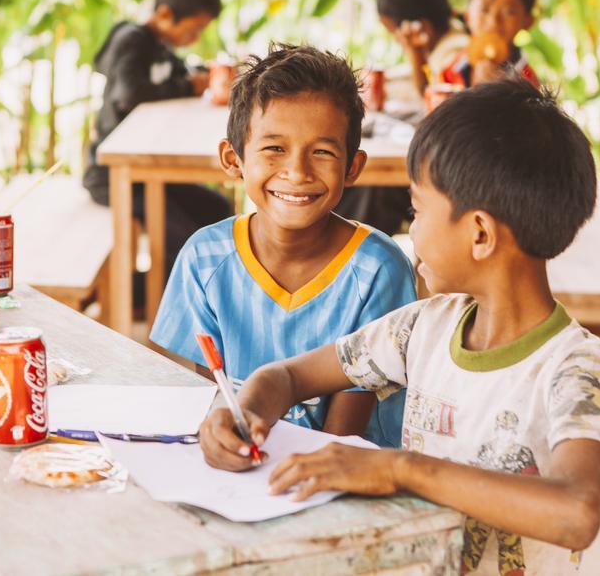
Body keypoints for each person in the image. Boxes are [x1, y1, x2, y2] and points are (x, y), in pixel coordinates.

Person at [200, 77, 600, 574]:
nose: (411, 229)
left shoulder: (576, 367)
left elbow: (577, 512)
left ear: (480, 233)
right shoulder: (423, 329)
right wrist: (243, 412)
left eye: (417, 210)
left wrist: (399, 467)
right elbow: (287, 377)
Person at [150, 44, 417, 448]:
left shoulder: (379, 269)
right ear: (233, 159)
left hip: (351, 475)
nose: (297, 171)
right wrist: (227, 442)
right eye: (274, 148)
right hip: (249, 468)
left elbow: (341, 440)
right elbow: (214, 399)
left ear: (353, 168)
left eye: (323, 152)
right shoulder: (204, 260)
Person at [82, 0, 233, 277]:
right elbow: (129, 94)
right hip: (113, 176)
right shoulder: (132, 41)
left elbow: (182, 75)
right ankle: (163, 301)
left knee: (219, 210)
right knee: (183, 237)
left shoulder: (162, 48)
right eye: (194, 29)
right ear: (165, 14)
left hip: (148, 172)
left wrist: (201, 77)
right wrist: (186, 85)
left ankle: (163, 291)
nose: (194, 38)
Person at [336, 0, 467, 236]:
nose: (395, 39)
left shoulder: (455, 51)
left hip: (447, 174)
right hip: (435, 162)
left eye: (393, 31)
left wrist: (413, 51)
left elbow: (435, 100)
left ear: (421, 26)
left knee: (371, 187)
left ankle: (347, 248)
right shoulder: (440, 46)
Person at [441, 0, 540, 88]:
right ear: (468, 15)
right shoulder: (455, 66)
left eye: (508, 12)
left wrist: (488, 88)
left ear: (528, 22)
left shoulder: (527, 83)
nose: (493, 21)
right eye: (484, 9)